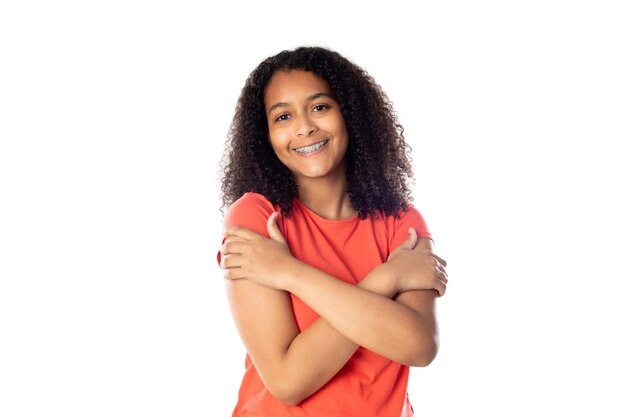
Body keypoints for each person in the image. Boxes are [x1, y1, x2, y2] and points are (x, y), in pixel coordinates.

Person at [217, 46, 448, 417]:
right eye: (283, 116)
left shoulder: (402, 223)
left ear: (350, 115)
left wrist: (287, 272)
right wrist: (387, 277)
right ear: (266, 135)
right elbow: (288, 382)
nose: (304, 126)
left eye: (320, 107)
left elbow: (419, 346)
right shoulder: (258, 217)